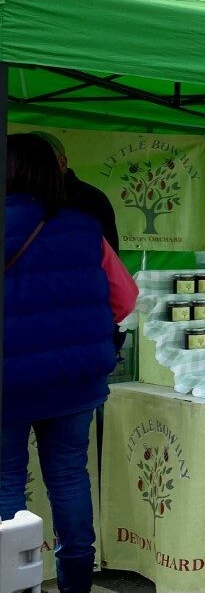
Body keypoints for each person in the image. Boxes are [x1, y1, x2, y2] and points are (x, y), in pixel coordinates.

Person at [3, 133, 138, 593]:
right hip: (77, 380)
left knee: (6, 483)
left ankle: (13, 583)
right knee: (69, 479)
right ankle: (75, 584)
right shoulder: (84, 226)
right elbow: (125, 300)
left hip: (10, 384)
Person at [32, 131, 120, 251]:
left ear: (62, 163)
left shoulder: (93, 200)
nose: (31, 169)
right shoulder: (19, 198)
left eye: (41, 161)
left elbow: (109, 256)